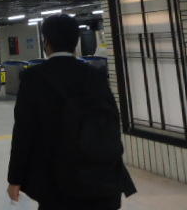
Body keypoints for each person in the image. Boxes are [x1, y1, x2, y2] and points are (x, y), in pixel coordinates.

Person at [7, 15, 136, 210]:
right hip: (102, 180)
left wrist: (15, 179)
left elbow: (24, 132)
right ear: (75, 42)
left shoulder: (33, 78)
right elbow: (112, 122)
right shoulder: (96, 75)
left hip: (58, 182)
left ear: (46, 42)